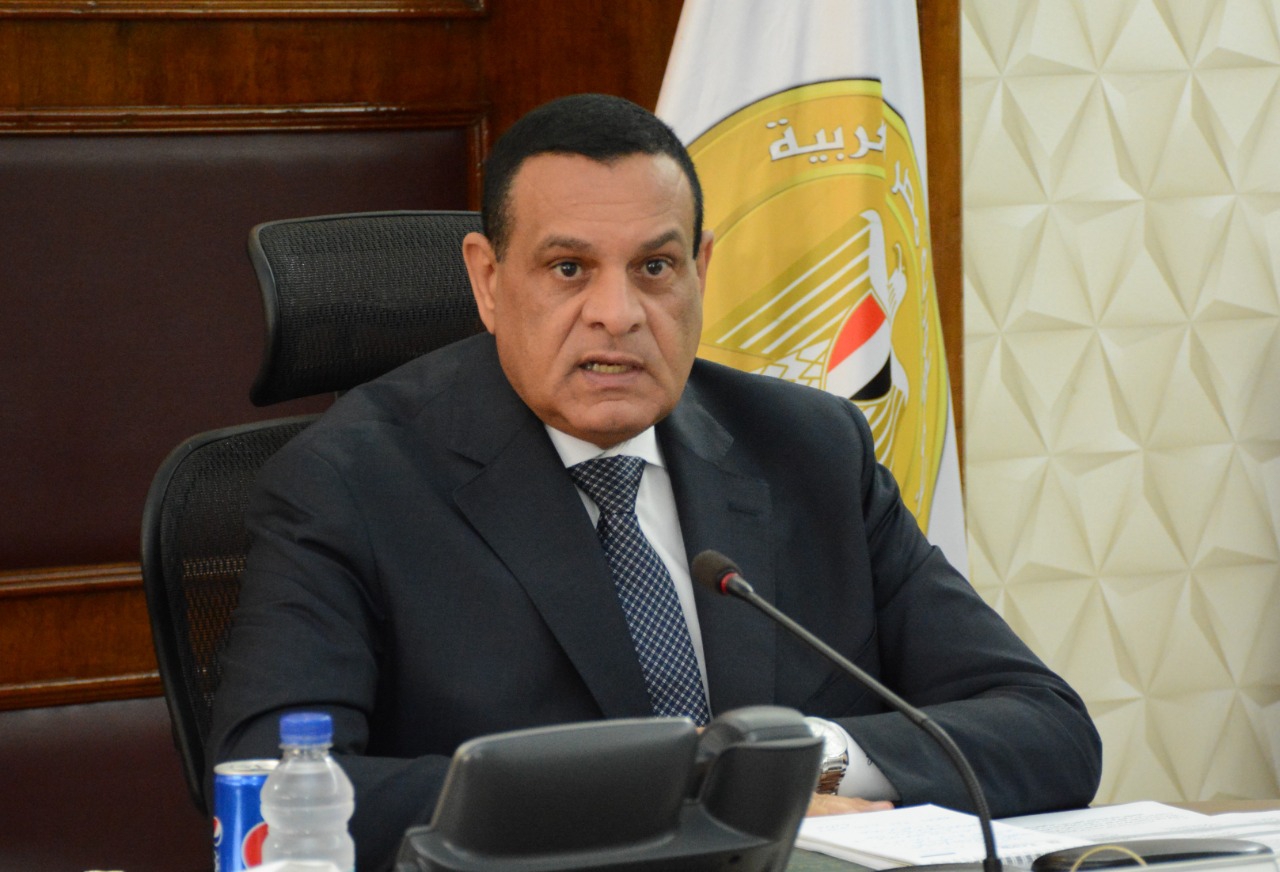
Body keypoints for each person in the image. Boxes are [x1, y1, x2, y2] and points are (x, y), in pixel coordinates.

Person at [209, 93, 1102, 871]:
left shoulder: (809, 450)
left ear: (700, 272)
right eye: (569, 270)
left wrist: (805, 759)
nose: (618, 313)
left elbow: (1049, 732)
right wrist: (695, 796)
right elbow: (269, 794)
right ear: (487, 279)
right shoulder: (348, 483)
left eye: (655, 268)